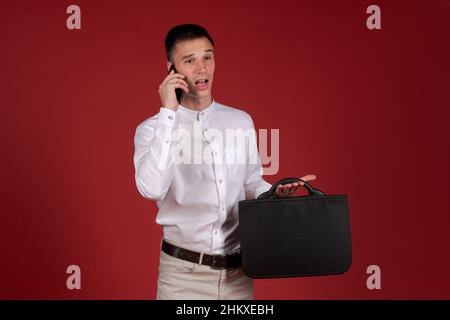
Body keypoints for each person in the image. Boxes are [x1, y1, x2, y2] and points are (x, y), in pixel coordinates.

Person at [133, 24, 317, 300]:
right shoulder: (152, 129)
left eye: (207, 57)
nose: (202, 68)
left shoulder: (239, 121)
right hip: (183, 278)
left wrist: (273, 192)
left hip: (238, 275)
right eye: (190, 60)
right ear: (171, 69)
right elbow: (152, 188)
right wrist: (168, 113)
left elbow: (250, 183)